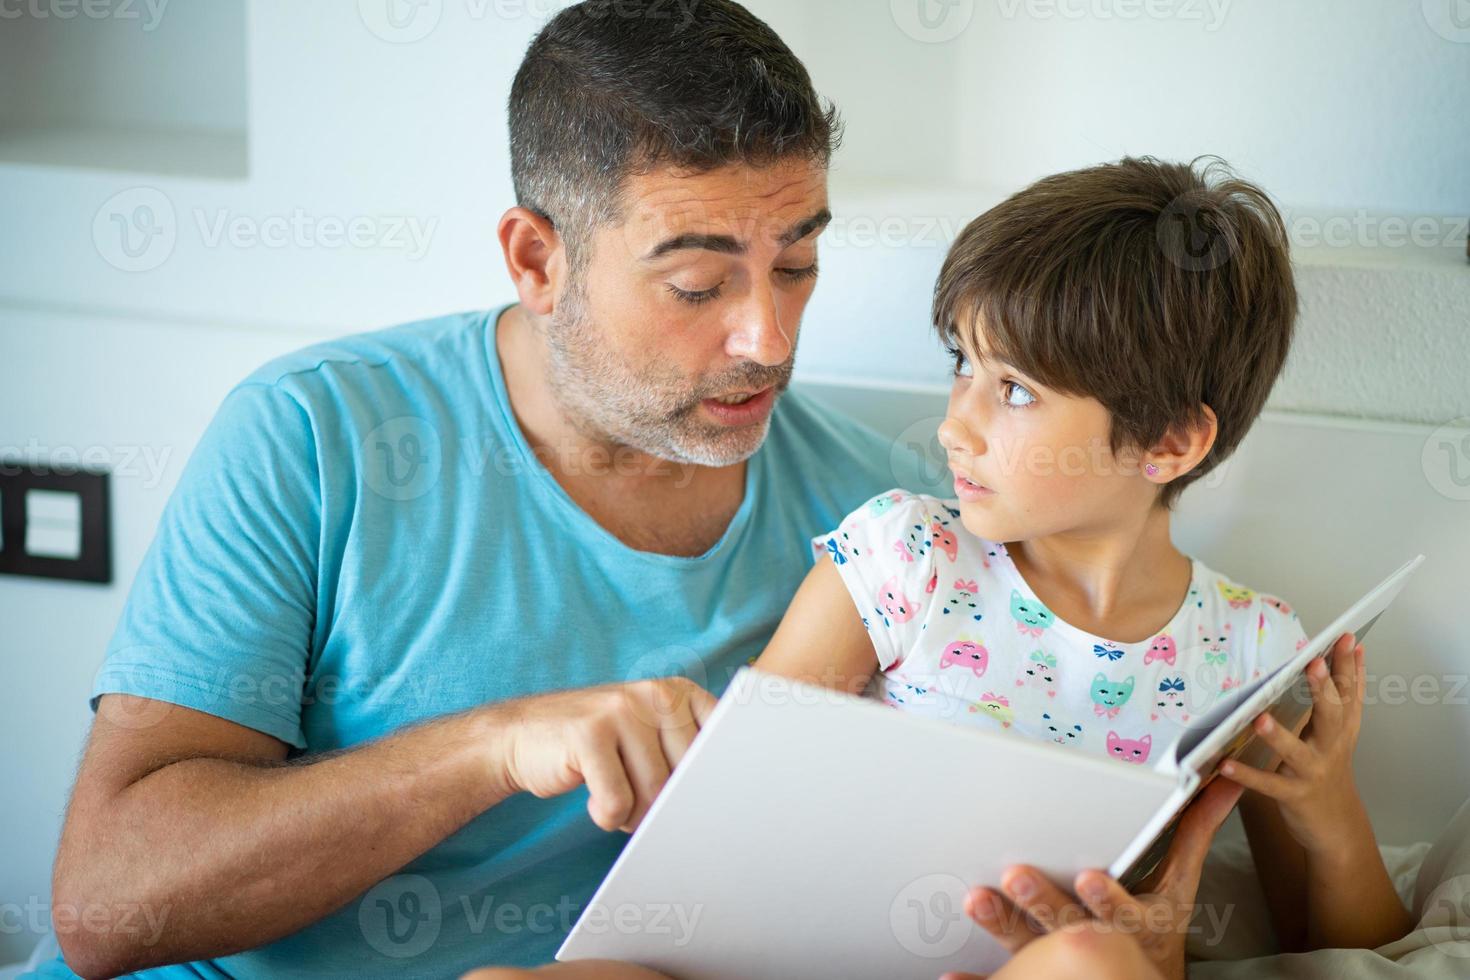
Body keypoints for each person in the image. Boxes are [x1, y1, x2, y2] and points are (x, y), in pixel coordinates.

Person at [33, 2, 942, 976]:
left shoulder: (891, 524)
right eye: (696, 285)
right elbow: (107, 903)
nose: (769, 337)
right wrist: (493, 746)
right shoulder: (311, 434)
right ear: (537, 260)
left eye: (797, 263)